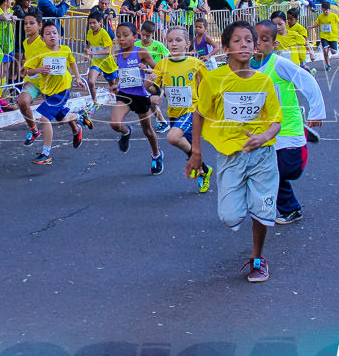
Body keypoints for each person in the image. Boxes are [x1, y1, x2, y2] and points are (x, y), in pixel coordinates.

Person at [190, 21, 282, 283]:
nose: (244, 44)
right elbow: (199, 115)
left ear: (256, 49)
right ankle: (245, 208)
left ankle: (257, 258)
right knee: (230, 216)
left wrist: (264, 136)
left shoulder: (264, 81)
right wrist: (196, 152)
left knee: (263, 211)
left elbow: (276, 120)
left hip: (262, 155)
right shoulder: (214, 79)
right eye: (237, 40)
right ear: (225, 47)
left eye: (249, 41)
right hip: (231, 155)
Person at [251, 20, 326, 225]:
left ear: (274, 44)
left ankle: (303, 135)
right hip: (262, 129)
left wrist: (317, 111)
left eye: (265, 40)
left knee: (288, 171)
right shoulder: (244, 66)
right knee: (266, 172)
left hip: (287, 127)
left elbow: (308, 81)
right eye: (255, 39)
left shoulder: (279, 64)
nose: (258, 43)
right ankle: (290, 209)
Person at [147, 25, 212, 192]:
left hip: (192, 111)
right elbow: (156, 88)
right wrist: (150, 86)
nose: (173, 44)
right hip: (174, 112)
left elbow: (211, 85)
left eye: (178, 40)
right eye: (170, 41)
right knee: (188, 147)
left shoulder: (195, 63)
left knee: (173, 137)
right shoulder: (162, 64)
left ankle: (199, 166)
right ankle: (204, 170)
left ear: (187, 44)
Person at [22, 21, 91, 165]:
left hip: (62, 89)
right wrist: (39, 70)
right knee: (61, 118)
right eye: (48, 33)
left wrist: (78, 78)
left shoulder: (65, 49)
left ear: (59, 35)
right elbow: (27, 70)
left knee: (45, 118)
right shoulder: (39, 53)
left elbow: (72, 62)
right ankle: (79, 117)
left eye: (54, 33)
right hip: (47, 90)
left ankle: (46, 154)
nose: (52, 36)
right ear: (42, 38)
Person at [110, 21, 163, 175]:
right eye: (119, 36)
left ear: (135, 37)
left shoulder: (142, 52)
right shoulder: (118, 54)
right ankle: (126, 131)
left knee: (147, 130)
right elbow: (122, 73)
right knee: (114, 124)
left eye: (125, 35)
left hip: (140, 95)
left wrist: (146, 70)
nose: (121, 39)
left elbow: (157, 70)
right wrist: (115, 84)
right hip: (125, 95)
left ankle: (156, 155)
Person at [18, 11, 48, 146]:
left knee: (60, 113)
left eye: (31, 23)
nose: (27, 26)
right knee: (22, 102)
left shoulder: (44, 42)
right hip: (32, 80)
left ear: (39, 25)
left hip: (47, 80)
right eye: (25, 23)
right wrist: (24, 68)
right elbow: (28, 58)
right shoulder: (25, 42)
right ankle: (34, 131)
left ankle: (76, 126)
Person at [85, 11, 118, 112]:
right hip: (96, 62)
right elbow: (90, 44)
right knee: (90, 81)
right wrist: (88, 52)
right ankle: (95, 103)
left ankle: (122, 102)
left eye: (94, 23)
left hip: (107, 63)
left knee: (113, 86)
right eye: (90, 23)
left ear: (100, 22)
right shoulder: (90, 32)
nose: (91, 25)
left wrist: (91, 53)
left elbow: (107, 51)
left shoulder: (104, 34)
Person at [310, 1, 339, 71]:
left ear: (329, 9)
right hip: (324, 36)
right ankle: (328, 64)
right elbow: (317, 24)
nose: (325, 12)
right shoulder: (321, 16)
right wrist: (311, 27)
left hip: (333, 36)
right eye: (324, 10)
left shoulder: (334, 16)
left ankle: (330, 48)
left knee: (334, 52)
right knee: (325, 50)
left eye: (326, 10)